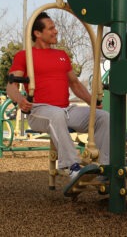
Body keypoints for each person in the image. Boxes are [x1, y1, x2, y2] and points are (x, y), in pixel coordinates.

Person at [6, 12, 110, 181]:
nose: (56, 31)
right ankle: (73, 166)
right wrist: (20, 100)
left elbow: (75, 84)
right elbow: (11, 86)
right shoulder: (24, 56)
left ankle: (106, 169)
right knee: (56, 114)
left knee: (103, 117)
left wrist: (92, 101)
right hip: (39, 110)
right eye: (51, 28)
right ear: (37, 33)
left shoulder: (61, 55)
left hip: (66, 110)